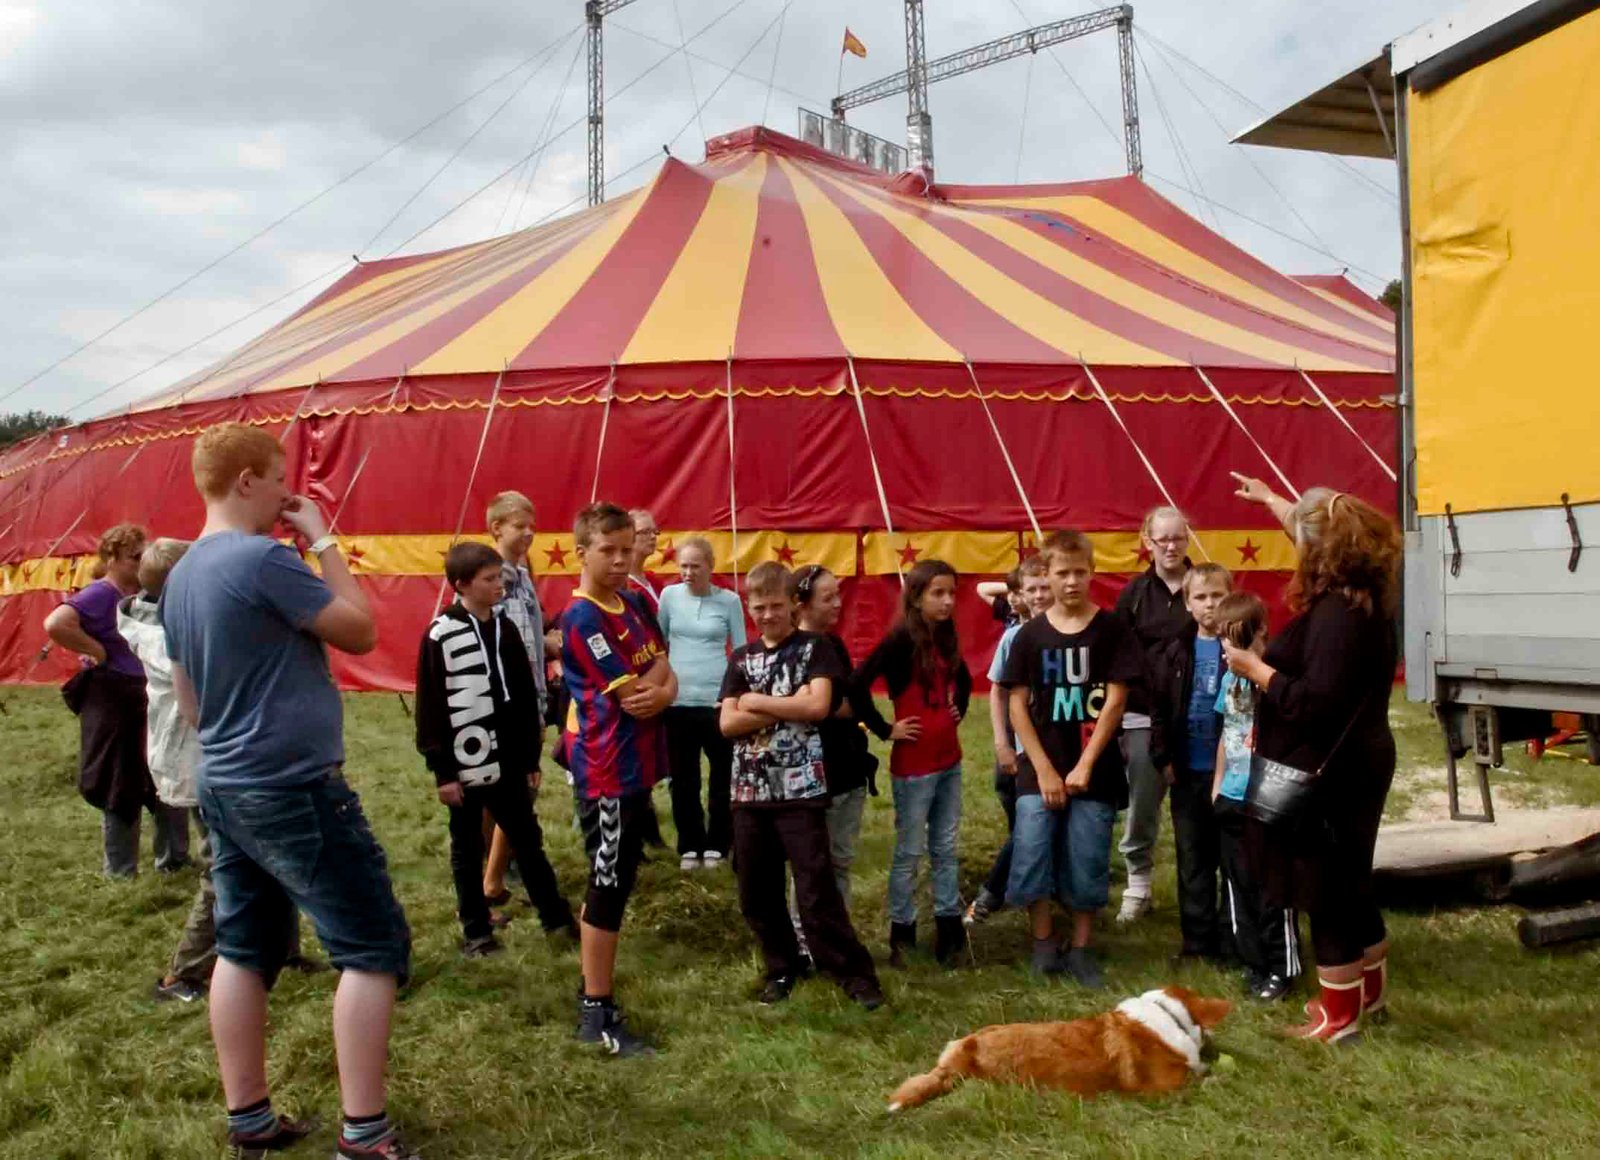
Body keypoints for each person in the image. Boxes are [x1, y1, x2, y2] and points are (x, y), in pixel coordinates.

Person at [161, 422, 416, 1160]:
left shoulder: (181, 575)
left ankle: (249, 1118)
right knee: (370, 946)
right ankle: (364, 1134)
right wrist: (323, 540)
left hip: (225, 781)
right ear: (246, 481)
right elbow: (360, 631)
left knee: (243, 947)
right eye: (278, 479)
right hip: (290, 786)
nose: (287, 493)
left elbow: (190, 704)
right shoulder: (263, 559)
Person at [1225, 475, 1401, 1043]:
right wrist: (1273, 501)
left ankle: (1338, 1016)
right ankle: (1368, 995)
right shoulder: (1365, 598)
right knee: (1353, 881)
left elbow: (1314, 704)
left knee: (1324, 890)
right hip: (1358, 760)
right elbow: (1313, 527)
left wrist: (1256, 669)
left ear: (1321, 550)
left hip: (1329, 772)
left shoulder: (1336, 618)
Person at [718, 562, 884, 1009]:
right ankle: (782, 966)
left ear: (793, 604)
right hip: (749, 792)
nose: (767, 615)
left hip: (801, 792)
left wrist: (756, 701)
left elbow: (818, 707)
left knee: (816, 890)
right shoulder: (741, 658)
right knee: (756, 891)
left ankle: (852, 973)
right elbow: (728, 723)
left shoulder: (815, 649)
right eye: (759, 607)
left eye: (776, 605)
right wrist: (788, 704)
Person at [416, 542, 579, 958]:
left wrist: (529, 757)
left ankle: (556, 918)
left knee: (528, 840)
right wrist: (443, 772)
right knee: (467, 848)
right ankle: (476, 930)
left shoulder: (505, 628)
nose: (498, 586)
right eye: (488, 579)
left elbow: (522, 694)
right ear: (461, 585)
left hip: (508, 761)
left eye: (498, 578)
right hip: (465, 762)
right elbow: (430, 707)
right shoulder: (440, 634)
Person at [999, 531, 1143, 988]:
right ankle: (1043, 943)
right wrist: (1043, 768)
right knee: (1031, 849)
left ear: (1092, 572)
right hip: (1039, 768)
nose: (1072, 581)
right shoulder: (1029, 636)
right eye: (1062, 573)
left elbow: (1115, 702)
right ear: (1047, 575)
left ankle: (1081, 947)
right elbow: (1017, 704)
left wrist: (1085, 764)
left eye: (1080, 572)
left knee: (1088, 855)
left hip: (1094, 769)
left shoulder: (1112, 630)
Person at [561, 502, 676, 1057]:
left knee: (619, 878)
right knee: (607, 885)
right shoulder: (582, 619)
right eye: (607, 550)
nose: (620, 559)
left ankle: (595, 987)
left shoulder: (634, 601)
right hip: (607, 771)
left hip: (638, 768)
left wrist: (666, 689)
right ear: (582, 553)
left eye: (626, 549)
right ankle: (596, 1010)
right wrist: (660, 685)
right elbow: (634, 695)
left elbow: (664, 670)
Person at [46, 522, 189, 877]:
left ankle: (174, 859)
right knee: (120, 783)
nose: (140, 564)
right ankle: (121, 869)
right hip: (113, 699)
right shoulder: (100, 594)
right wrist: (98, 651)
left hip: (146, 694)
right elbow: (57, 623)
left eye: (144, 557)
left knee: (165, 773)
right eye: (133, 557)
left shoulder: (145, 592)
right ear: (111, 558)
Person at [857, 559, 972, 968]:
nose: (947, 601)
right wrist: (885, 729)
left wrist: (958, 707)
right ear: (917, 597)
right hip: (915, 766)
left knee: (945, 847)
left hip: (949, 759)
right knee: (909, 851)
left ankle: (949, 929)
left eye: (952, 593)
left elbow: (964, 679)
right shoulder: (900, 640)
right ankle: (902, 933)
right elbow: (857, 683)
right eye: (938, 593)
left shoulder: (947, 635)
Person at [1212, 589, 1299, 1002]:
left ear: (1262, 632)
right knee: (1238, 884)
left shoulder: (1276, 678)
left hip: (1267, 797)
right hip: (1231, 795)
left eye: (1240, 639)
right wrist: (1217, 785)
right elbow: (1227, 733)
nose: (1231, 649)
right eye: (1224, 640)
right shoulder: (1228, 679)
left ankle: (1283, 967)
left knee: (1272, 888)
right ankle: (1253, 962)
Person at [1112, 505, 1195, 925]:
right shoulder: (1134, 595)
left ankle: (1199, 892)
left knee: (1199, 806)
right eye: (1162, 539)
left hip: (1199, 715)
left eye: (1178, 538)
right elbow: (1118, 657)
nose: (1170, 546)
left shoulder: (1206, 585)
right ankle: (1138, 883)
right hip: (1144, 715)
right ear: (1148, 542)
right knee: (1143, 798)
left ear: (1188, 539)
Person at [1148, 562, 1234, 964]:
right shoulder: (1173, 651)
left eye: (1217, 595)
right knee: (1193, 860)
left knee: (1232, 860)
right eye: (1200, 597)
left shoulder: (1242, 648)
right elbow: (1159, 709)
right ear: (1187, 602)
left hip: (1233, 776)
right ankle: (1197, 944)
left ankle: (1233, 940)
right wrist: (1162, 757)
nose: (1210, 604)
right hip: (1187, 772)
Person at [481, 490, 557, 909]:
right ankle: (494, 873)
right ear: (497, 528)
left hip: (530, 696)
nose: (529, 533)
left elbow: (529, 638)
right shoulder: (489, 577)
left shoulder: (524, 575)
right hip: (503, 700)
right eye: (520, 526)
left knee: (517, 787)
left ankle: (497, 868)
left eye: (533, 526)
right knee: (512, 789)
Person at [966, 555, 1052, 925]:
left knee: (1037, 828)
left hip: (1062, 746)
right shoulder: (1014, 636)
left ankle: (1034, 892)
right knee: (1025, 829)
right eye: (1032, 589)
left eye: (1045, 587)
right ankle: (991, 895)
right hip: (1021, 750)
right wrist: (1002, 744)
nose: (1040, 595)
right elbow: (998, 692)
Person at [792, 564, 879, 910]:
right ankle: (805, 933)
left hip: (849, 769)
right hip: (815, 773)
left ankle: (839, 928)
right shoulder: (793, 650)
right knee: (813, 864)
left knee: (841, 860)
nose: (838, 604)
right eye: (827, 598)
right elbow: (822, 706)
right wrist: (834, 706)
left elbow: (851, 701)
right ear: (802, 604)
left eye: (837, 595)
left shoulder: (834, 643)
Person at [657, 536, 745, 870]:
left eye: (695, 566)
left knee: (722, 775)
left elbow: (740, 652)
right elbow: (659, 645)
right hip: (677, 702)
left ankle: (718, 844)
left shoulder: (730, 601)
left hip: (717, 703)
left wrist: (734, 697)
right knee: (683, 779)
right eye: (683, 566)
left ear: (711, 566)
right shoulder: (669, 596)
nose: (688, 573)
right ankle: (689, 845)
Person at [626, 508, 661, 610]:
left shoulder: (654, 581)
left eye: (654, 531)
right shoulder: (622, 586)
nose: (653, 536)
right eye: (646, 532)